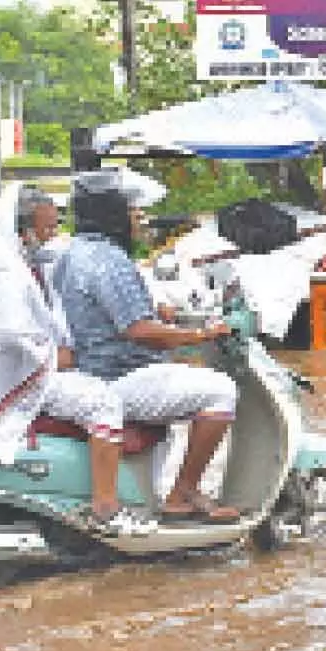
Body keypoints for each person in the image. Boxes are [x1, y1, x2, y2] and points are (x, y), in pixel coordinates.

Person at [51, 169, 242, 523]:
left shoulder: (73, 252)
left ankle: (161, 492)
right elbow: (138, 330)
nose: (139, 218)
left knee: (187, 381)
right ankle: (182, 494)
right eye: (132, 210)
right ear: (112, 213)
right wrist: (199, 336)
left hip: (92, 370)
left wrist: (167, 319)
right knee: (220, 391)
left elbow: (111, 315)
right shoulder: (109, 261)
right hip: (120, 376)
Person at [17, 187, 156, 534]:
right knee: (102, 401)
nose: (53, 237)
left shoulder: (43, 263)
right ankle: (106, 509)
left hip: (48, 364)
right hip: (26, 373)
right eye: (46, 230)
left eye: (55, 227)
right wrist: (59, 356)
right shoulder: (7, 272)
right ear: (23, 231)